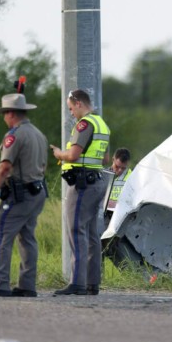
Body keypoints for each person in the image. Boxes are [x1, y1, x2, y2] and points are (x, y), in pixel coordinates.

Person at [0, 93, 49, 297]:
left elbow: (4, 167)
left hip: (20, 194)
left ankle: (0, 283)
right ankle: (27, 285)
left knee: (1, 235)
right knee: (27, 237)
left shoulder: (14, 135)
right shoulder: (38, 134)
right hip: (38, 191)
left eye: (4, 113)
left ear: (11, 114)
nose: (3, 118)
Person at [50, 89, 110, 296]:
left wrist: (59, 153)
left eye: (70, 108)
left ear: (78, 103)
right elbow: (106, 159)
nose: (71, 113)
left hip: (83, 185)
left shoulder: (85, 124)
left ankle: (77, 283)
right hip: (97, 182)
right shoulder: (102, 124)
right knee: (92, 233)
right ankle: (92, 283)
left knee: (76, 231)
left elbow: (74, 155)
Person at [104, 147, 132, 226]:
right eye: (117, 166)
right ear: (113, 159)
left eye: (123, 168)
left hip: (119, 217)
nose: (119, 170)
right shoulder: (104, 174)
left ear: (128, 164)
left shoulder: (132, 178)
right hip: (103, 214)